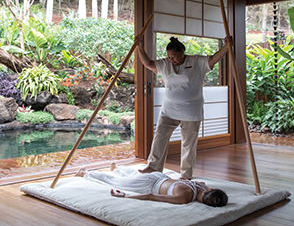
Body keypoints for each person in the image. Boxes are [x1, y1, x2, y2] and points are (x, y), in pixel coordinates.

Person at [135, 35, 232, 179]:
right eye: (168, 56)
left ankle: (186, 174)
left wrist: (226, 47)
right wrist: (139, 47)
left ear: (182, 52)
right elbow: (148, 63)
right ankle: (153, 166)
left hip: (191, 111)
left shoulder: (196, 62)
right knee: (160, 136)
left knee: (188, 143)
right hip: (169, 109)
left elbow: (212, 60)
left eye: (174, 56)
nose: (171, 59)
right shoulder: (165, 64)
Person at [75, 163, 228, 207]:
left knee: (134, 176)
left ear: (211, 190)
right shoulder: (184, 198)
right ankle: (85, 172)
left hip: (160, 176)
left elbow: (207, 186)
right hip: (151, 184)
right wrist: (127, 196)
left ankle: (117, 168)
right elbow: (151, 196)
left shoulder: (202, 185)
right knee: (116, 182)